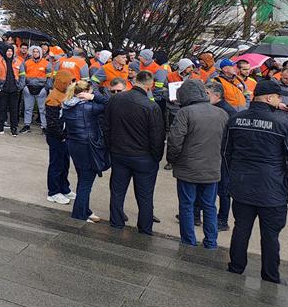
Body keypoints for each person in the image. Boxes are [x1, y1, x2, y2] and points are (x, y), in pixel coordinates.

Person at [223, 79, 288, 284]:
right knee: (270, 235)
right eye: (278, 97)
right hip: (273, 189)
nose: (280, 101)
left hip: (242, 185)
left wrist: (232, 178)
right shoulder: (283, 123)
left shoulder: (236, 119)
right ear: (270, 98)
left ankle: (236, 267)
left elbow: (226, 153)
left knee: (241, 229)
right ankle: (270, 276)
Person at [166, 79, 229, 249]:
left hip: (188, 169)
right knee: (209, 206)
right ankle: (211, 242)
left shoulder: (185, 113)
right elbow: (226, 143)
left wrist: (172, 160)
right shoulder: (222, 114)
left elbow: (175, 141)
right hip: (212, 168)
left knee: (187, 205)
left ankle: (188, 241)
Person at [105, 69, 165, 235]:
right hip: (143, 157)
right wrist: (156, 157)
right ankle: (145, 229)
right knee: (145, 196)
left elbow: (106, 126)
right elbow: (157, 136)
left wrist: (111, 148)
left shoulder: (115, 99)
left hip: (119, 153)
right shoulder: (151, 106)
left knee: (117, 192)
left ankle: (116, 222)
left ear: (134, 81)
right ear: (150, 85)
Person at [62, 80, 109, 222]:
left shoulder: (67, 105)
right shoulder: (89, 107)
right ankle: (79, 214)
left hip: (74, 146)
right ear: (85, 92)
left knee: (82, 179)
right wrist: (94, 97)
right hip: (89, 147)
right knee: (86, 182)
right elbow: (110, 103)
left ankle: (85, 210)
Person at [206, 80, 236, 231]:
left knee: (223, 189)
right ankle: (196, 213)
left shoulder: (228, 112)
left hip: (223, 154)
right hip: (211, 152)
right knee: (204, 183)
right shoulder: (211, 108)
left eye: (207, 93)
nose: (204, 96)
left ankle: (222, 220)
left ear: (217, 95)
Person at [44, 70, 76, 205]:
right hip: (56, 137)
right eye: (69, 83)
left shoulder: (65, 95)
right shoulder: (53, 98)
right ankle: (53, 192)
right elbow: (52, 122)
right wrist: (61, 136)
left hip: (64, 136)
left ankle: (64, 188)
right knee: (56, 165)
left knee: (64, 164)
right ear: (62, 83)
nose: (71, 85)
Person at [18, 45, 51, 133]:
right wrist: (24, 86)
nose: (35, 53)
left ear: (40, 53)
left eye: (37, 52)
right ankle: (27, 125)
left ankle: (44, 127)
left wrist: (46, 88)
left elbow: (49, 77)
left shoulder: (46, 63)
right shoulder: (26, 63)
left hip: (41, 89)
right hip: (28, 88)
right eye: (34, 52)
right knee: (28, 108)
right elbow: (22, 75)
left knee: (42, 109)